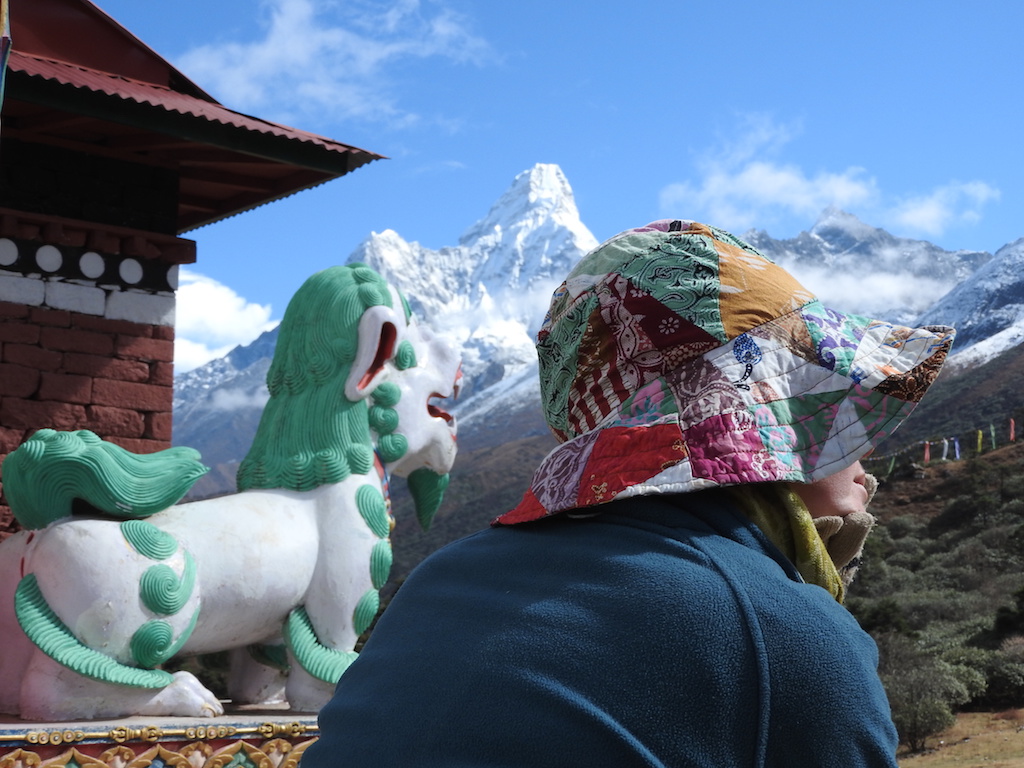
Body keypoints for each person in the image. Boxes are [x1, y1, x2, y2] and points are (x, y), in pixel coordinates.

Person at [301, 219, 954, 767]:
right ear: (768, 438)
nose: (864, 451)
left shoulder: (440, 582)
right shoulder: (786, 639)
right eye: (834, 412)